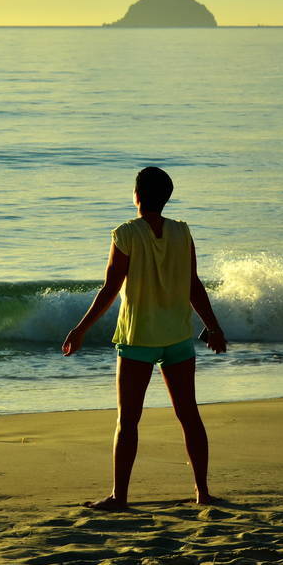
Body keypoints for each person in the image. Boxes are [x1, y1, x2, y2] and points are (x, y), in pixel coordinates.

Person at [62, 167, 226, 510]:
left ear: (136, 195)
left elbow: (110, 288)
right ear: (165, 198)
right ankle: (203, 492)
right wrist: (213, 326)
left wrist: (80, 329)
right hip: (178, 335)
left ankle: (119, 496)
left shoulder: (125, 234)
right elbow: (194, 285)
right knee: (189, 415)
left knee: (128, 420)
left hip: (138, 338)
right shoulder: (182, 232)